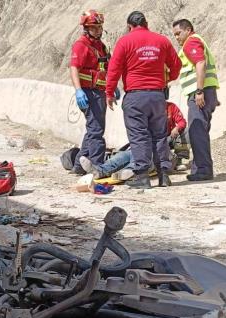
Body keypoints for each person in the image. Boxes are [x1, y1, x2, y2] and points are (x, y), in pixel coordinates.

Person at [105, 11, 181, 189]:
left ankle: (142, 176)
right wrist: (167, 80)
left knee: (139, 136)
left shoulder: (125, 41)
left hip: (135, 97)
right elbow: (176, 65)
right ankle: (164, 176)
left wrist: (109, 92)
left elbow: (113, 70)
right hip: (158, 96)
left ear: (129, 26)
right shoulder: (161, 40)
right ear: (146, 23)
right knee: (160, 135)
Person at [68, 10, 119, 175]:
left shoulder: (101, 46)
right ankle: (98, 165)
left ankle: (78, 164)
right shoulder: (81, 45)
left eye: (99, 27)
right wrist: (78, 91)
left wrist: (112, 87)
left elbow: (106, 67)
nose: (98, 30)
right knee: (96, 130)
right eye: (94, 28)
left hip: (99, 92)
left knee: (93, 128)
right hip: (88, 93)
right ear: (86, 28)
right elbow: (74, 67)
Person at [79, 101, 187, 179]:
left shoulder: (171, 107)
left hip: (166, 150)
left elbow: (182, 122)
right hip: (150, 146)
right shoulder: (148, 110)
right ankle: (99, 170)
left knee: (180, 133)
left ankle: (130, 170)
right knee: (127, 154)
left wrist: (176, 128)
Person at [172, 19, 220, 181]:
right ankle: (199, 168)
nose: (177, 37)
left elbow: (200, 63)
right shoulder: (198, 41)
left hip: (199, 94)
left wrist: (200, 91)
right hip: (206, 92)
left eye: (179, 33)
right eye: (175, 35)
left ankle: (203, 170)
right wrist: (211, 95)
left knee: (197, 131)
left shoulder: (191, 42)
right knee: (200, 131)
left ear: (188, 29)